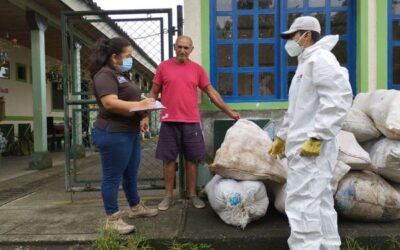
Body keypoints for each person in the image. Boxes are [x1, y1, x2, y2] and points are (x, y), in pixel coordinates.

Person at [268, 16, 353, 250]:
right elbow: (297, 109)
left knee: (302, 202)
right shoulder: (305, 65)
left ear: (306, 35)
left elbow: (338, 100)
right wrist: (282, 136)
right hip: (304, 146)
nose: (289, 41)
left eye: (292, 36)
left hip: (311, 148)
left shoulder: (321, 60)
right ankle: (328, 246)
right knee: (319, 199)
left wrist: (318, 136)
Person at [149, 35, 240, 211]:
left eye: (186, 47)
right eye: (180, 47)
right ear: (174, 47)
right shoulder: (163, 67)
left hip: (191, 121)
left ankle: (192, 195)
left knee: (192, 159)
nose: (182, 50)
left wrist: (229, 112)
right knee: (168, 160)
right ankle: (168, 196)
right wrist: (144, 115)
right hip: (169, 121)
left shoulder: (197, 70)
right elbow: (153, 92)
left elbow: (211, 93)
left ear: (192, 50)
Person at [90, 37, 158, 235]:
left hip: (129, 131)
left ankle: (135, 207)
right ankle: (112, 218)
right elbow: (110, 102)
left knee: (130, 173)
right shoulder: (104, 75)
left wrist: (145, 110)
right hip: (113, 132)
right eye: (127, 56)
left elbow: (132, 98)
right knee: (112, 177)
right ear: (114, 56)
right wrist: (140, 105)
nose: (130, 59)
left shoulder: (122, 74)